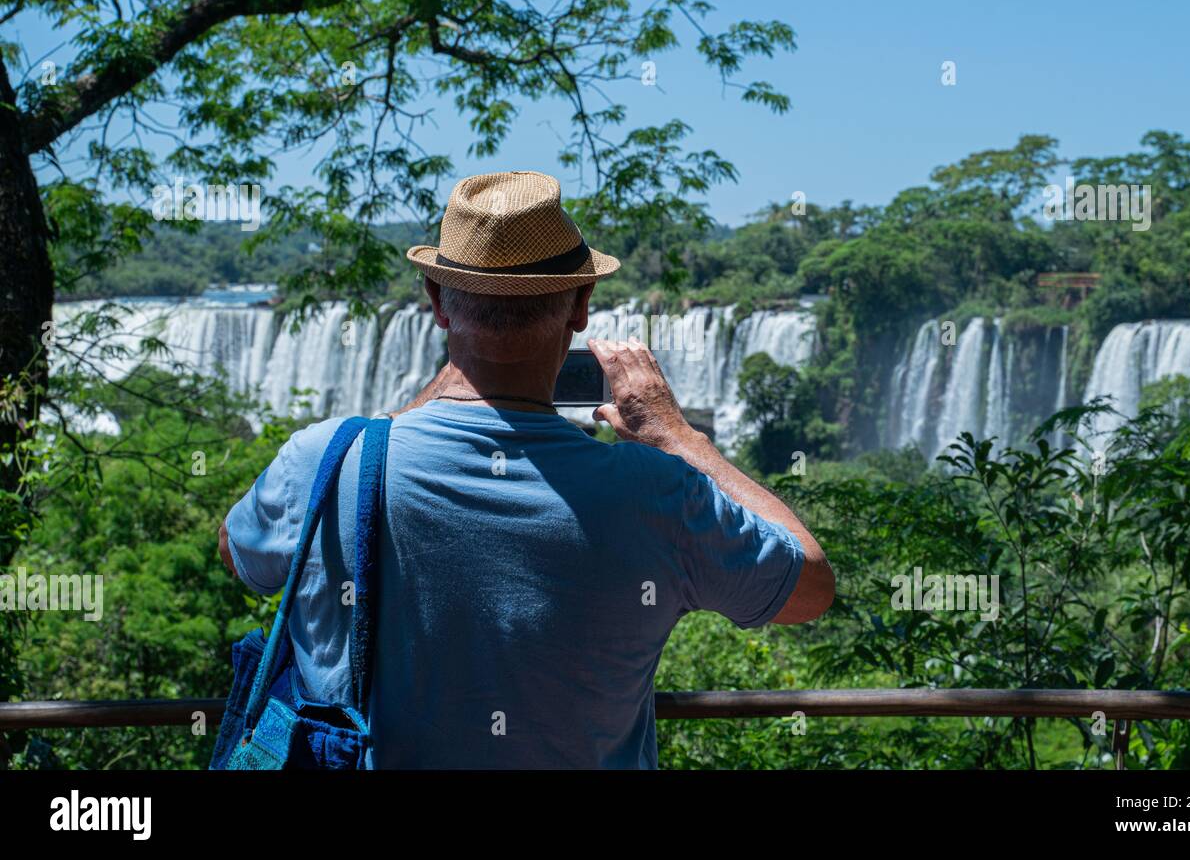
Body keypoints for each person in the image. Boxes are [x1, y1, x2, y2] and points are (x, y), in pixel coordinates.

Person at [218, 170, 834, 767]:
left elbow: (240, 554)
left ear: (436, 301)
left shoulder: (326, 459)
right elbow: (810, 587)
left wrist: (398, 420)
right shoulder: (658, 492)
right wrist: (679, 438)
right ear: (581, 306)